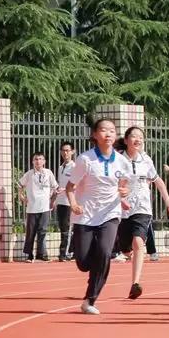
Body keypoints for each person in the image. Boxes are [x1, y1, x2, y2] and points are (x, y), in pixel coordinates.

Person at [65, 118, 132, 314]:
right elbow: (70, 187)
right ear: (95, 135)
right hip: (85, 215)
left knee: (104, 252)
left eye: (112, 130)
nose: (108, 134)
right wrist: (74, 204)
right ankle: (94, 269)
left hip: (110, 213)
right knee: (84, 262)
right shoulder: (85, 160)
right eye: (104, 130)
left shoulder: (122, 162)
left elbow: (124, 186)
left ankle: (90, 300)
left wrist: (124, 194)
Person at [116, 127, 169, 298]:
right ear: (127, 140)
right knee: (125, 248)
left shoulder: (146, 160)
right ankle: (128, 254)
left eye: (141, 137)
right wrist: (121, 199)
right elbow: (111, 184)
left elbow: (158, 182)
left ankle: (135, 283)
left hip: (142, 208)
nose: (138, 140)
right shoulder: (118, 160)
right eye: (134, 136)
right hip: (122, 210)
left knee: (138, 242)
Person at [19, 152, 59, 262]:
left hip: (45, 207)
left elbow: (55, 187)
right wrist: (21, 196)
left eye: (40, 159)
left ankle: (42, 255)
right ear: (32, 161)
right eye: (36, 159)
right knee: (30, 232)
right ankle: (29, 255)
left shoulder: (48, 173)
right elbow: (19, 185)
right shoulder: (29, 174)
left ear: (44, 161)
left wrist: (53, 200)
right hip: (32, 208)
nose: (38, 161)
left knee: (42, 231)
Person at [54, 142, 76, 261]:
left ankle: (66, 253)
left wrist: (68, 189)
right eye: (63, 150)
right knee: (62, 228)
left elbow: (78, 184)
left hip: (69, 202)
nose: (65, 153)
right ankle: (64, 253)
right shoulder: (61, 167)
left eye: (67, 150)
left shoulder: (74, 167)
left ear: (72, 151)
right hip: (60, 202)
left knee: (68, 228)